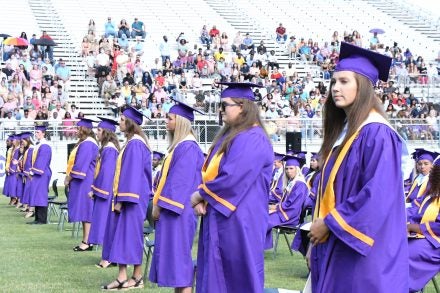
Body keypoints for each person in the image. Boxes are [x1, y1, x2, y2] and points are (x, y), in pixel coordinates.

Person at [308, 42, 409, 292]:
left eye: (344, 81)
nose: (335, 88)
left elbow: (377, 195)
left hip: (362, 250)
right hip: (338, 242)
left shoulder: (377, 133)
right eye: (333, 82)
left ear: (362, 86)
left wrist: (329, 224)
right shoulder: (346, 134)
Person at [190, 82, 273, 293]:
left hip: (240, 222)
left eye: (225, 104)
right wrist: (204, 199)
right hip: (222, 216)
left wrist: (200, 195)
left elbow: (231, 177)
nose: (221, 109)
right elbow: (211, 172)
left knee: (236, 279)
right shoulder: (232, 137)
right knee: (215, 277)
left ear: (242, 106)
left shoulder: (253, 138)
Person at [149, 99, 204, 292]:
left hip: (177, 212)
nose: (166, 121)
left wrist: (159, 206)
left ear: (180, 122)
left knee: (179, 264)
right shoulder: (180, 146)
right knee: (175, 265)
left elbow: (179, 183)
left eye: (170, 118)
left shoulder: (188, 147)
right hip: (175, 212)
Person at [101, 106, 152, 290]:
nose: (120, 122)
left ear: (130, 123)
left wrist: (122, 200)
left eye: (122, 119)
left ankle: (136, 277)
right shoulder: (131, 143)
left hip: (132, 199)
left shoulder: (136, 144)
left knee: (130, 236)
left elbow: (132, 175)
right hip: (127, 198)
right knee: (122, 236)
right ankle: (123, 276)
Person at [88, 117, 120, 268]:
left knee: (107, 226)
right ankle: (108, 257)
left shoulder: (109, 150)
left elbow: (107, 174)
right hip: (105, 193)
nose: (97, 132)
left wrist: (95, 190)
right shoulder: (107, 148)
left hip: (107, 194)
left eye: (99, 130)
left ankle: (108, 258)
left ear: (107, 132)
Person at [407, 156, 440, 292]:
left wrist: (416, 227)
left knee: (404, 255)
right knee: (388, 245)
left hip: (435, 242)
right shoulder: (431, 193)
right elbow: (413, 209)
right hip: (420, 235)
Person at [65, 118, 99, 251]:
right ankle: (86, 240)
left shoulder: (88, 144)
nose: (76, 131)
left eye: (79, 128)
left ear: (84, 129)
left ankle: (87, 241)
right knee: (85, 211)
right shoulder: (85, 143)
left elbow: (80, 166)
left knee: (86, 211)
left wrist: (69, 178)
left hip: (85, 182)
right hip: (84, 180)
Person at [265, 155, 309, 249]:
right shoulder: (291, 182)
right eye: (287, 169)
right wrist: (276, 207)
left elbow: (293, 205)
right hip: (284, 212)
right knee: (262, 217)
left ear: (297, 169)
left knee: (264, 221)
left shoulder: (300, 184)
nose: (289, 171)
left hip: (290, 216)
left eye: (291, 168)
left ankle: (258, 247)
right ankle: (260, 246)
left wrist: (276, 208)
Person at [28, 126, 52, 224]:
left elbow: (41, 161)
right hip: (38, 173)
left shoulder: (45, 145)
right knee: (37, 195)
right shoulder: (39, 145)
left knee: (41, 195)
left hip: (42, 173)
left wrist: (32, 171)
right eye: (36, 132)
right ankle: (37, 218)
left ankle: (42, 219)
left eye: (38, 132)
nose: (36, 134)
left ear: (43, 133)